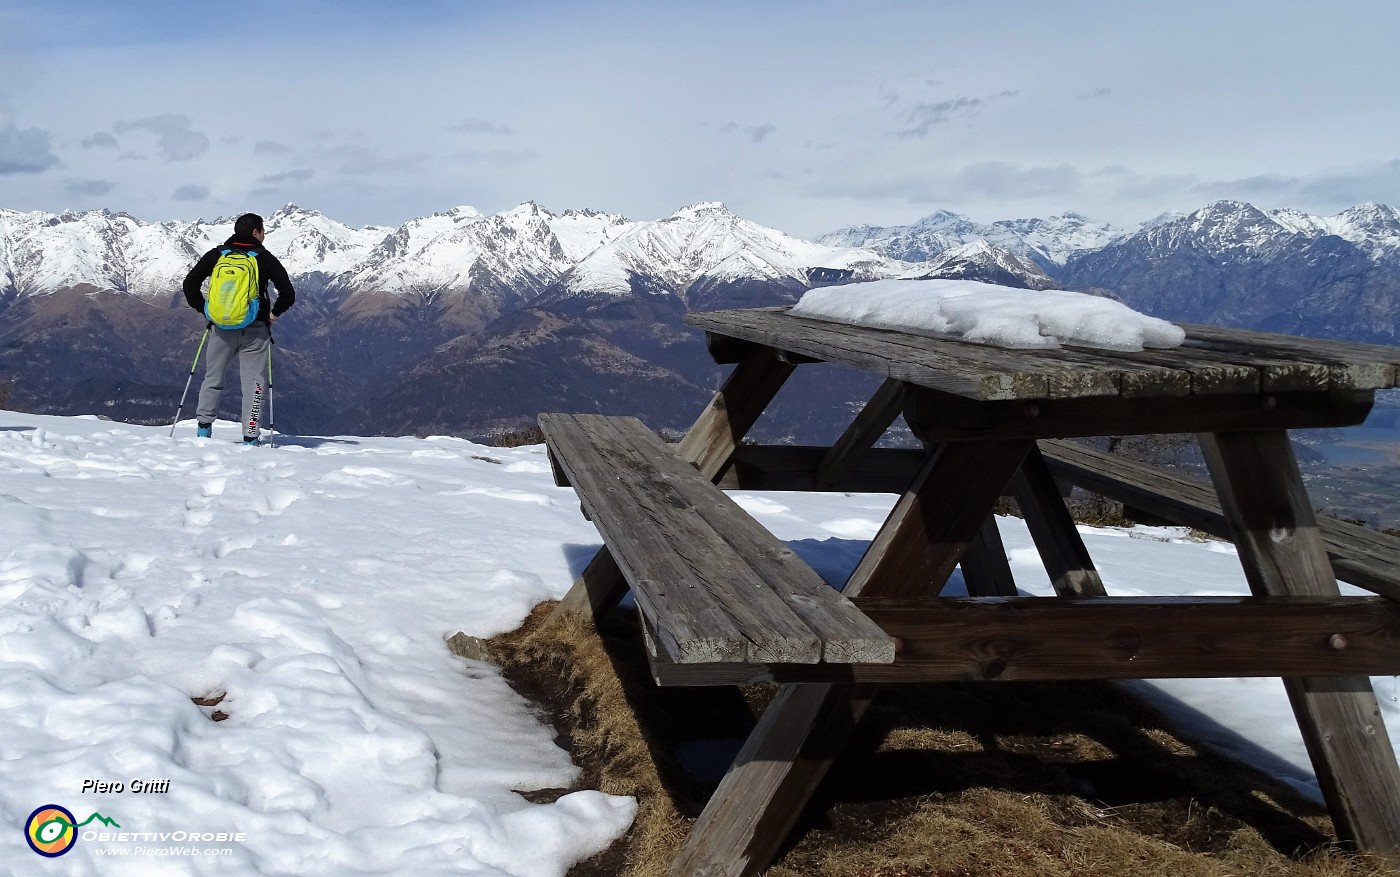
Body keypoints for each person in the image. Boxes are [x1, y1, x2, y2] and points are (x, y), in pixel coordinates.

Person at [182, 212, 295, 444]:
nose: (264, 236)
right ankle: (251, 437)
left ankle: (203, 430)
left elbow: (189, 284)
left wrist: (205, 310)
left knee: (213, 378)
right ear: (256, 232)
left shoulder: (218, 255)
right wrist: (273, 314)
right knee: (254, 384)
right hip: (255, 329)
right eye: (263, 231)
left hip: (221, 327)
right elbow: (288, 294)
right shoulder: (264, 258)